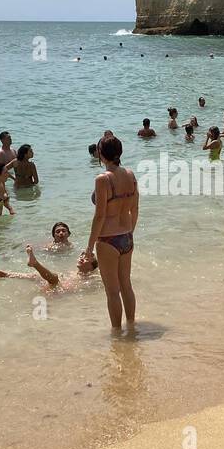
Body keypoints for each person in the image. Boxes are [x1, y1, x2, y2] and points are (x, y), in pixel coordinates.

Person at [84, 135, 138, 331]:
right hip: (126, 236)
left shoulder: (102, 179)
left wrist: (89, 247)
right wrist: (129, 233)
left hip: (108, 240)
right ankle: (131, 326)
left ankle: (117, 333)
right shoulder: (131, 175)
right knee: (126, 285)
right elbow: (135, 209)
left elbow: (100, 217)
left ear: (100, 154)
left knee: (112, 292)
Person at [0, 245, 96, 290]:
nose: (82, 258)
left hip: (56, 290)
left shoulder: (93, 277)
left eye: (87, 258)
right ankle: (0, 273)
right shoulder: (74, 272)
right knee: (34, 276)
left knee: (55, 278)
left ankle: (35, 263)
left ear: (92, 266)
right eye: (82, 255)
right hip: (52, 289)